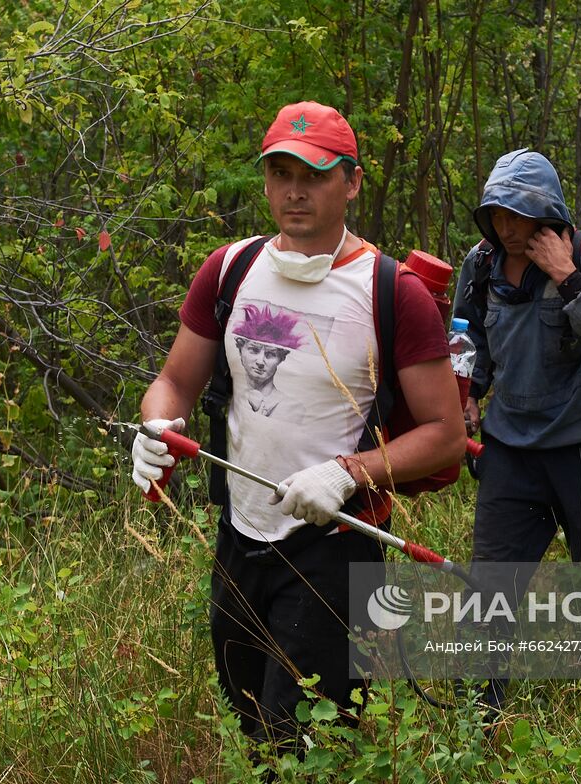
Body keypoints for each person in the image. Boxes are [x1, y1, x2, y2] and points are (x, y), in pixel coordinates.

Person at [130, 101, 465, 756]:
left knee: (307, 746)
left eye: (313, 175)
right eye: (280, 173)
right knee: (253, 729)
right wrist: (154, 426)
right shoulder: (230, 269)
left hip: (340, 547)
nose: (294, 191)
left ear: (353, 181)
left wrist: (346, 474)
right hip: (241, 536)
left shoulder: (393, 293)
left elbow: (445, 436)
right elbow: (173, 381)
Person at [452, 149, 581, 709]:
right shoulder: (482, 263)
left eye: (521, 214)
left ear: (548, 211)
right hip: (510, 446)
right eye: (498, 214)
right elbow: (468, 344)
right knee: (490, 584)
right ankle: (476, 715)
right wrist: (466, 401)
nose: (509, 228)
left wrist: (567, 276)